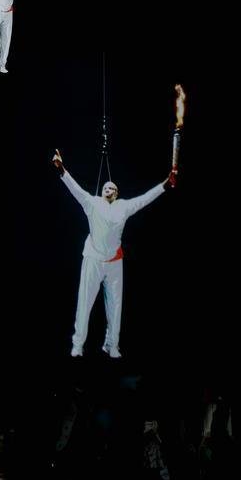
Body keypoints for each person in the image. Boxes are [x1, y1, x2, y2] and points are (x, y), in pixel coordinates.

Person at [52, 149, 176, 357]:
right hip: (93, 258)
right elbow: (74, 188)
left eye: (112, 187)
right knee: (84, 302)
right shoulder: (92, 203)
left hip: (114, 262)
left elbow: (145, 198)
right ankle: (78, 344)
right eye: (105, 187)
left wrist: (166, 184)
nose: (108, 188)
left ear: (117, 193)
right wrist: (61, 169)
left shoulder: (124, 207)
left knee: (116, 306)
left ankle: (112, 345)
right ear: (102, 192)